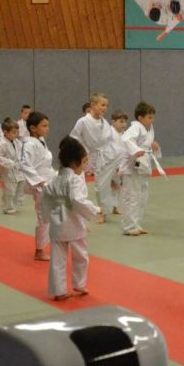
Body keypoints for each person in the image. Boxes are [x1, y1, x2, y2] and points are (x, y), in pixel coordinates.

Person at [42, 137, 102, 301]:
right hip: (72, 223)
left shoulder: (55, 178)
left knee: (57, 259)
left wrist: (46, 218)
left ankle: (58, 291)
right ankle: (79, 283)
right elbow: (77, 200)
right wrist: (95, 210)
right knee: (81, 256)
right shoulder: (74, 179)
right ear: (75, 163)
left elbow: (45, 199)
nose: (85, 166)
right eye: (84, 162)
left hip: (57, 221)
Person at [70, 93, 118, 224]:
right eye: (102, 105)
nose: (105, 108)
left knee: (102, 185)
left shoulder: (104, 122)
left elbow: (110, 140)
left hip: (104, 155)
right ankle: (80, 213)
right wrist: (81, 152)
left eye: (106, 105)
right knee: (81, 186)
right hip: (87, 156)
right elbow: (73, 137)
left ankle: (104, 211)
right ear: (92, 105)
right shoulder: (83, 121)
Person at [120, 102, 162, 236]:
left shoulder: (149, 128)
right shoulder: (135, 127)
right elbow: (125, 139)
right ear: (140, 118)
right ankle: (129, 227)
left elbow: (147, 144)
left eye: (152, 117)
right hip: (132, 167)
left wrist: (152, 146)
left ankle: (136, 224)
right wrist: (136, 150)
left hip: (143, 165)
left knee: (142, 196)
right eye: (149, 117)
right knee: (132, 196)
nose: (152, 120)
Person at [19, 112, 56, 260]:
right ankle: (39, 250)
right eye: (44, 126)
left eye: (48, 125)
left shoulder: (40, 140)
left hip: (48, 180)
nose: (47, 128)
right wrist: (39, 181)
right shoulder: (29, 144)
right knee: (43, 217)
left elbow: (45, 164)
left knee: (52, 214)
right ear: (33, 128)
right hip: (40, 185)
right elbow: (25, 164)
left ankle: (54, 242)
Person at [0, 118, 27, 215]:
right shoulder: (1, 144)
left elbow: (22, 153)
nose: (16, 134)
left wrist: (23, 161)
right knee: (10, 190)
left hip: (19, 168)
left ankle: (15, 204)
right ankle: (8, 207)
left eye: (17, 132)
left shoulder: (17, 142)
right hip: (8, 170)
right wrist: (10, 163)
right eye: (13, 132)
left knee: (21, 186)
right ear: (5, 132)